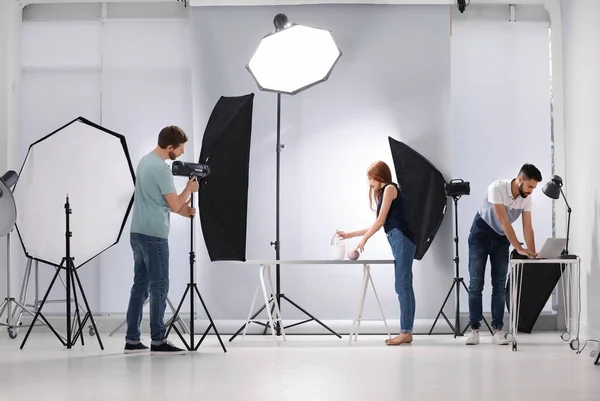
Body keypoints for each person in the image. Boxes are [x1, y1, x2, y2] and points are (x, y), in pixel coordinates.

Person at [124, 125, 199, 354]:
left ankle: (132, 339)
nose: (182, 153)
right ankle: (158, 340)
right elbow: (174, 204)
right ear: (170, 147)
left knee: (140, 287)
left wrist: (182, 209)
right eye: (180, 149)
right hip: (154, 235)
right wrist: (189, 188)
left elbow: (162, 202)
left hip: (137, 232)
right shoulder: (161, 169)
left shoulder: (145, 161)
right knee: (159, 287)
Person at [338, 161, 417, 346]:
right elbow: (377, 222)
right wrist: (350, 234)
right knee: (405, 285)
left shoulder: (390, 189)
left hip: (402, 240)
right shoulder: (386, 192)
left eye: (370, 179)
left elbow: (380, 221)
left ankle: (405, 332)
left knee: (402, 285)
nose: (370, 183)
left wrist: (364, 240)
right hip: (399, 240)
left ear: (379, 176)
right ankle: (407, 331)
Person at [465, 163, 542, 346]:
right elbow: (503, 221)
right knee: (476, 283)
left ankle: (497, 330)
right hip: (480, 235)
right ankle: (474, 330)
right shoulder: (497, 188)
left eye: (534, 188)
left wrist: (531, 251)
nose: (531, 191)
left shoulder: (526, 198)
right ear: (520, 179)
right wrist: (518, 247)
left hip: (501, 239)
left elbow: (527, 227)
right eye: (530, 186)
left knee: (499, 285)